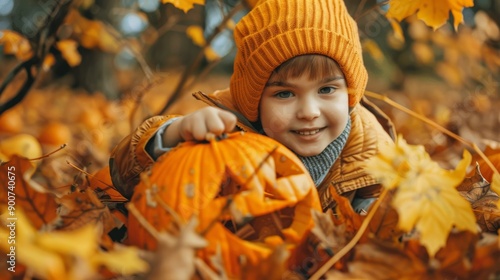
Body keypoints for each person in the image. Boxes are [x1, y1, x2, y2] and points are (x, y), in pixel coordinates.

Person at [109, 0, 395, 214]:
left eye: (327, 90)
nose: (309, 111)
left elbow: (384, 235)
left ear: (350, 93)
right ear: (253, 101)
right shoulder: (228, 128)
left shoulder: (374, 154)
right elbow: (126, 177)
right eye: (284, 94)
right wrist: (173, 136)